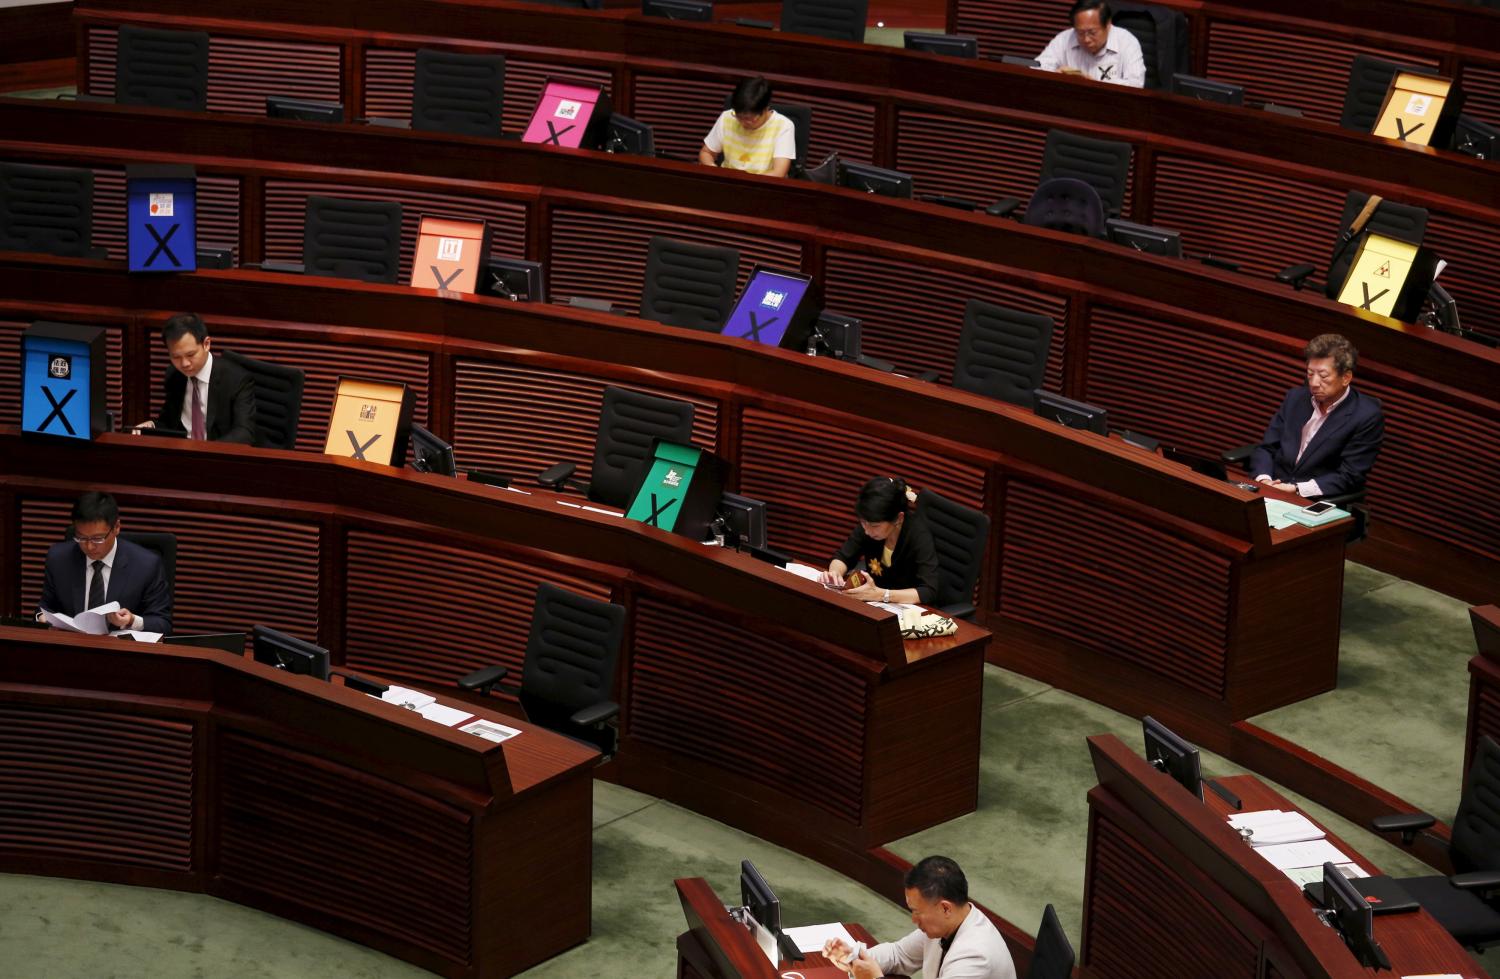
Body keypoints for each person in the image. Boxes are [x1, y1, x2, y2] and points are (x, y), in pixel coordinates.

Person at [824, 856, 1017, 979]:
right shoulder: (945, 926)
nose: (913, 920)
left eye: (917, 911)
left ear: (945, 908)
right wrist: (853, 959)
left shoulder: (975, 957)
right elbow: (898, 954)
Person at [1249, 333, 1385, 499]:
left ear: (1346, 377)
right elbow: (1267, 447)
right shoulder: (1295, 398)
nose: (1313, 383)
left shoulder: (1366, 416)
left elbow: (1350, 475)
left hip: (1314, 499)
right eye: (1310, 373)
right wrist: (1264, 480)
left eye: (1323, 375)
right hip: (1271, 489)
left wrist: (1296, 489)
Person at [38, 491, 173, 635]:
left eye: (97, 539)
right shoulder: (59, 558)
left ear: (116, 527)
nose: (89, 546)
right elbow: (44, 608)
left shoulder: (147, 565)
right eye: (81, 538)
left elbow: (163, 624)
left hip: (121, 653)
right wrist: (42, 618)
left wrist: (132, 621)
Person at [132, 313, 257, 444]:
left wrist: (206, 453)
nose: (184, 364)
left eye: (190, 354)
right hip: (183, 451)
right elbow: (169, 422)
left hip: (218, 454)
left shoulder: (237, 379)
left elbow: (245, 432)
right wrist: (152, 426)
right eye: (176, 357)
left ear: (206, 344)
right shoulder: (175, 375)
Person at [819, 477, 941, 604]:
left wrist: (882, 595)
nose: (866, 531)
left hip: (907, 610)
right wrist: (835, 573)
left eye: (874, 526)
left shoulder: (919, 535)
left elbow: (928, 591)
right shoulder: (869, 523)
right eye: (863, 522)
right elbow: (843, 556)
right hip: (874, 603)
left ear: (899, 518)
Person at [698, 76, 797, 178]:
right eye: (739, 117)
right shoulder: (727, 117)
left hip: (762, 186)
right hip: (727, 181)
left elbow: (778, 173)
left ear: (766, 108)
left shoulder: (783, 126)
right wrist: (714, 169)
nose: (744, 123)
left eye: (751, 119)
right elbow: (706, 153)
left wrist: (744, 181)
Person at [1035, 0, 1145, 88]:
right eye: (1080, 33)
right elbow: (1037, 68)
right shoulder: (1065, 38)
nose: (1086, 39)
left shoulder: (1127, 42)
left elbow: (1136, 84)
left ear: (1108, 25)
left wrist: (1094, 84)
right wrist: (1055, 74)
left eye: (1092, 33)